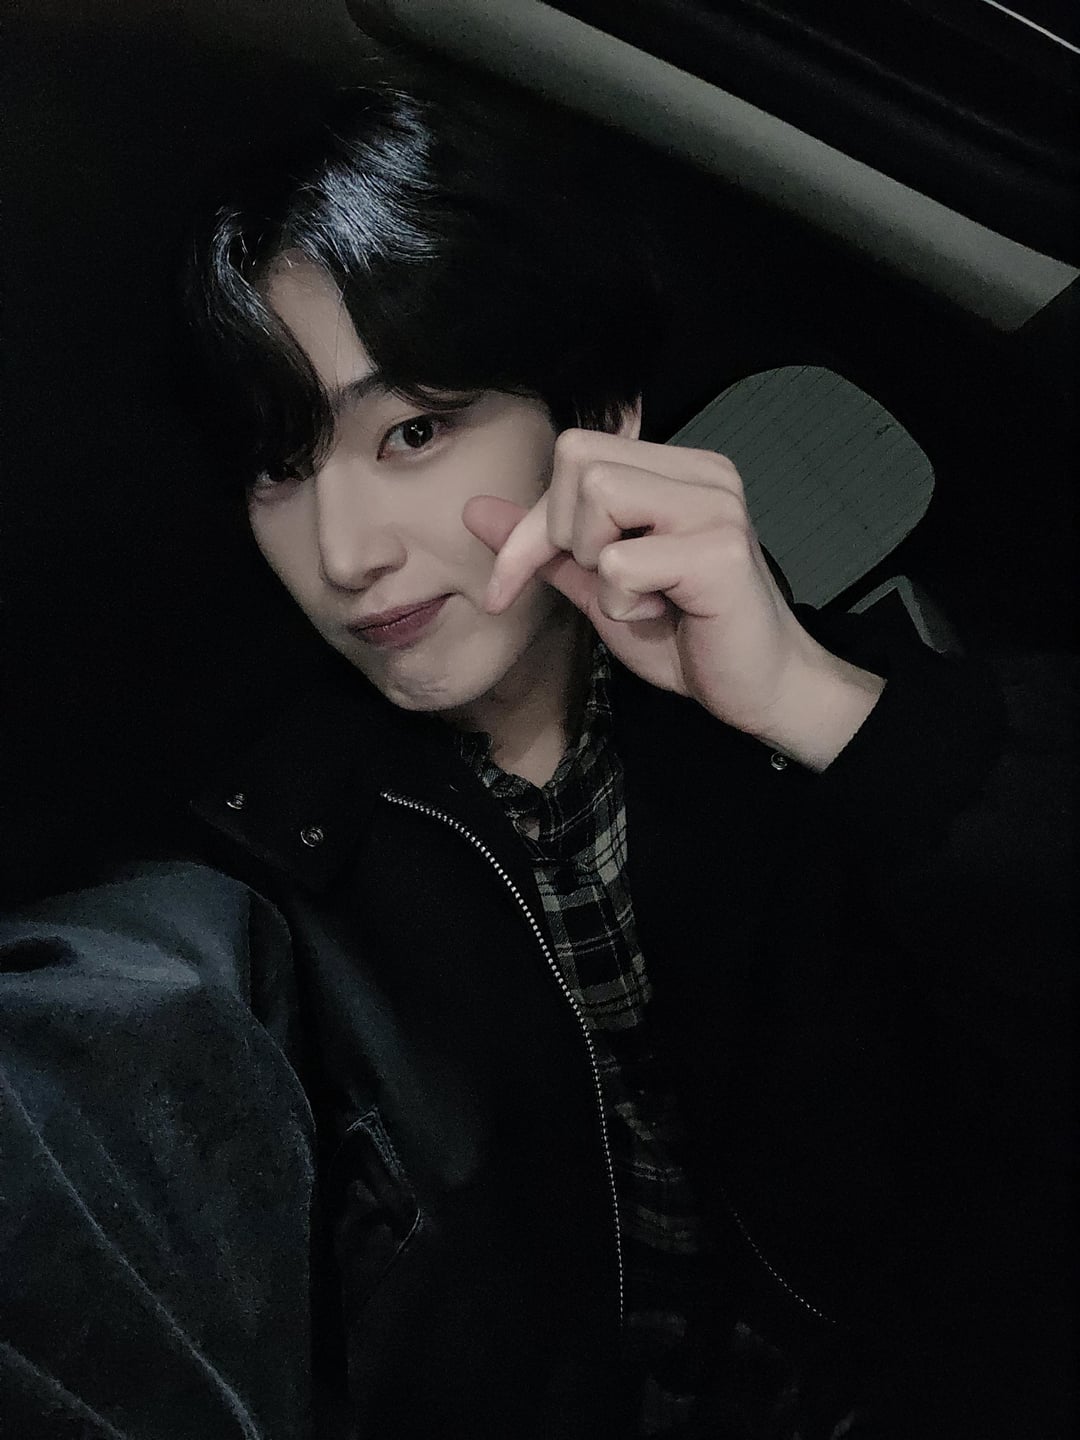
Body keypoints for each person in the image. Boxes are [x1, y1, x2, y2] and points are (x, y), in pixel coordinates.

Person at [3, 63, 1061, 1440]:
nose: (345, 553)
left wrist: (816, 705)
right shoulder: (266, 869)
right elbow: (102, 1097)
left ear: (599, 418)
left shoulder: (804, 731)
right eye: (281, 466)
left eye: (413, 431)